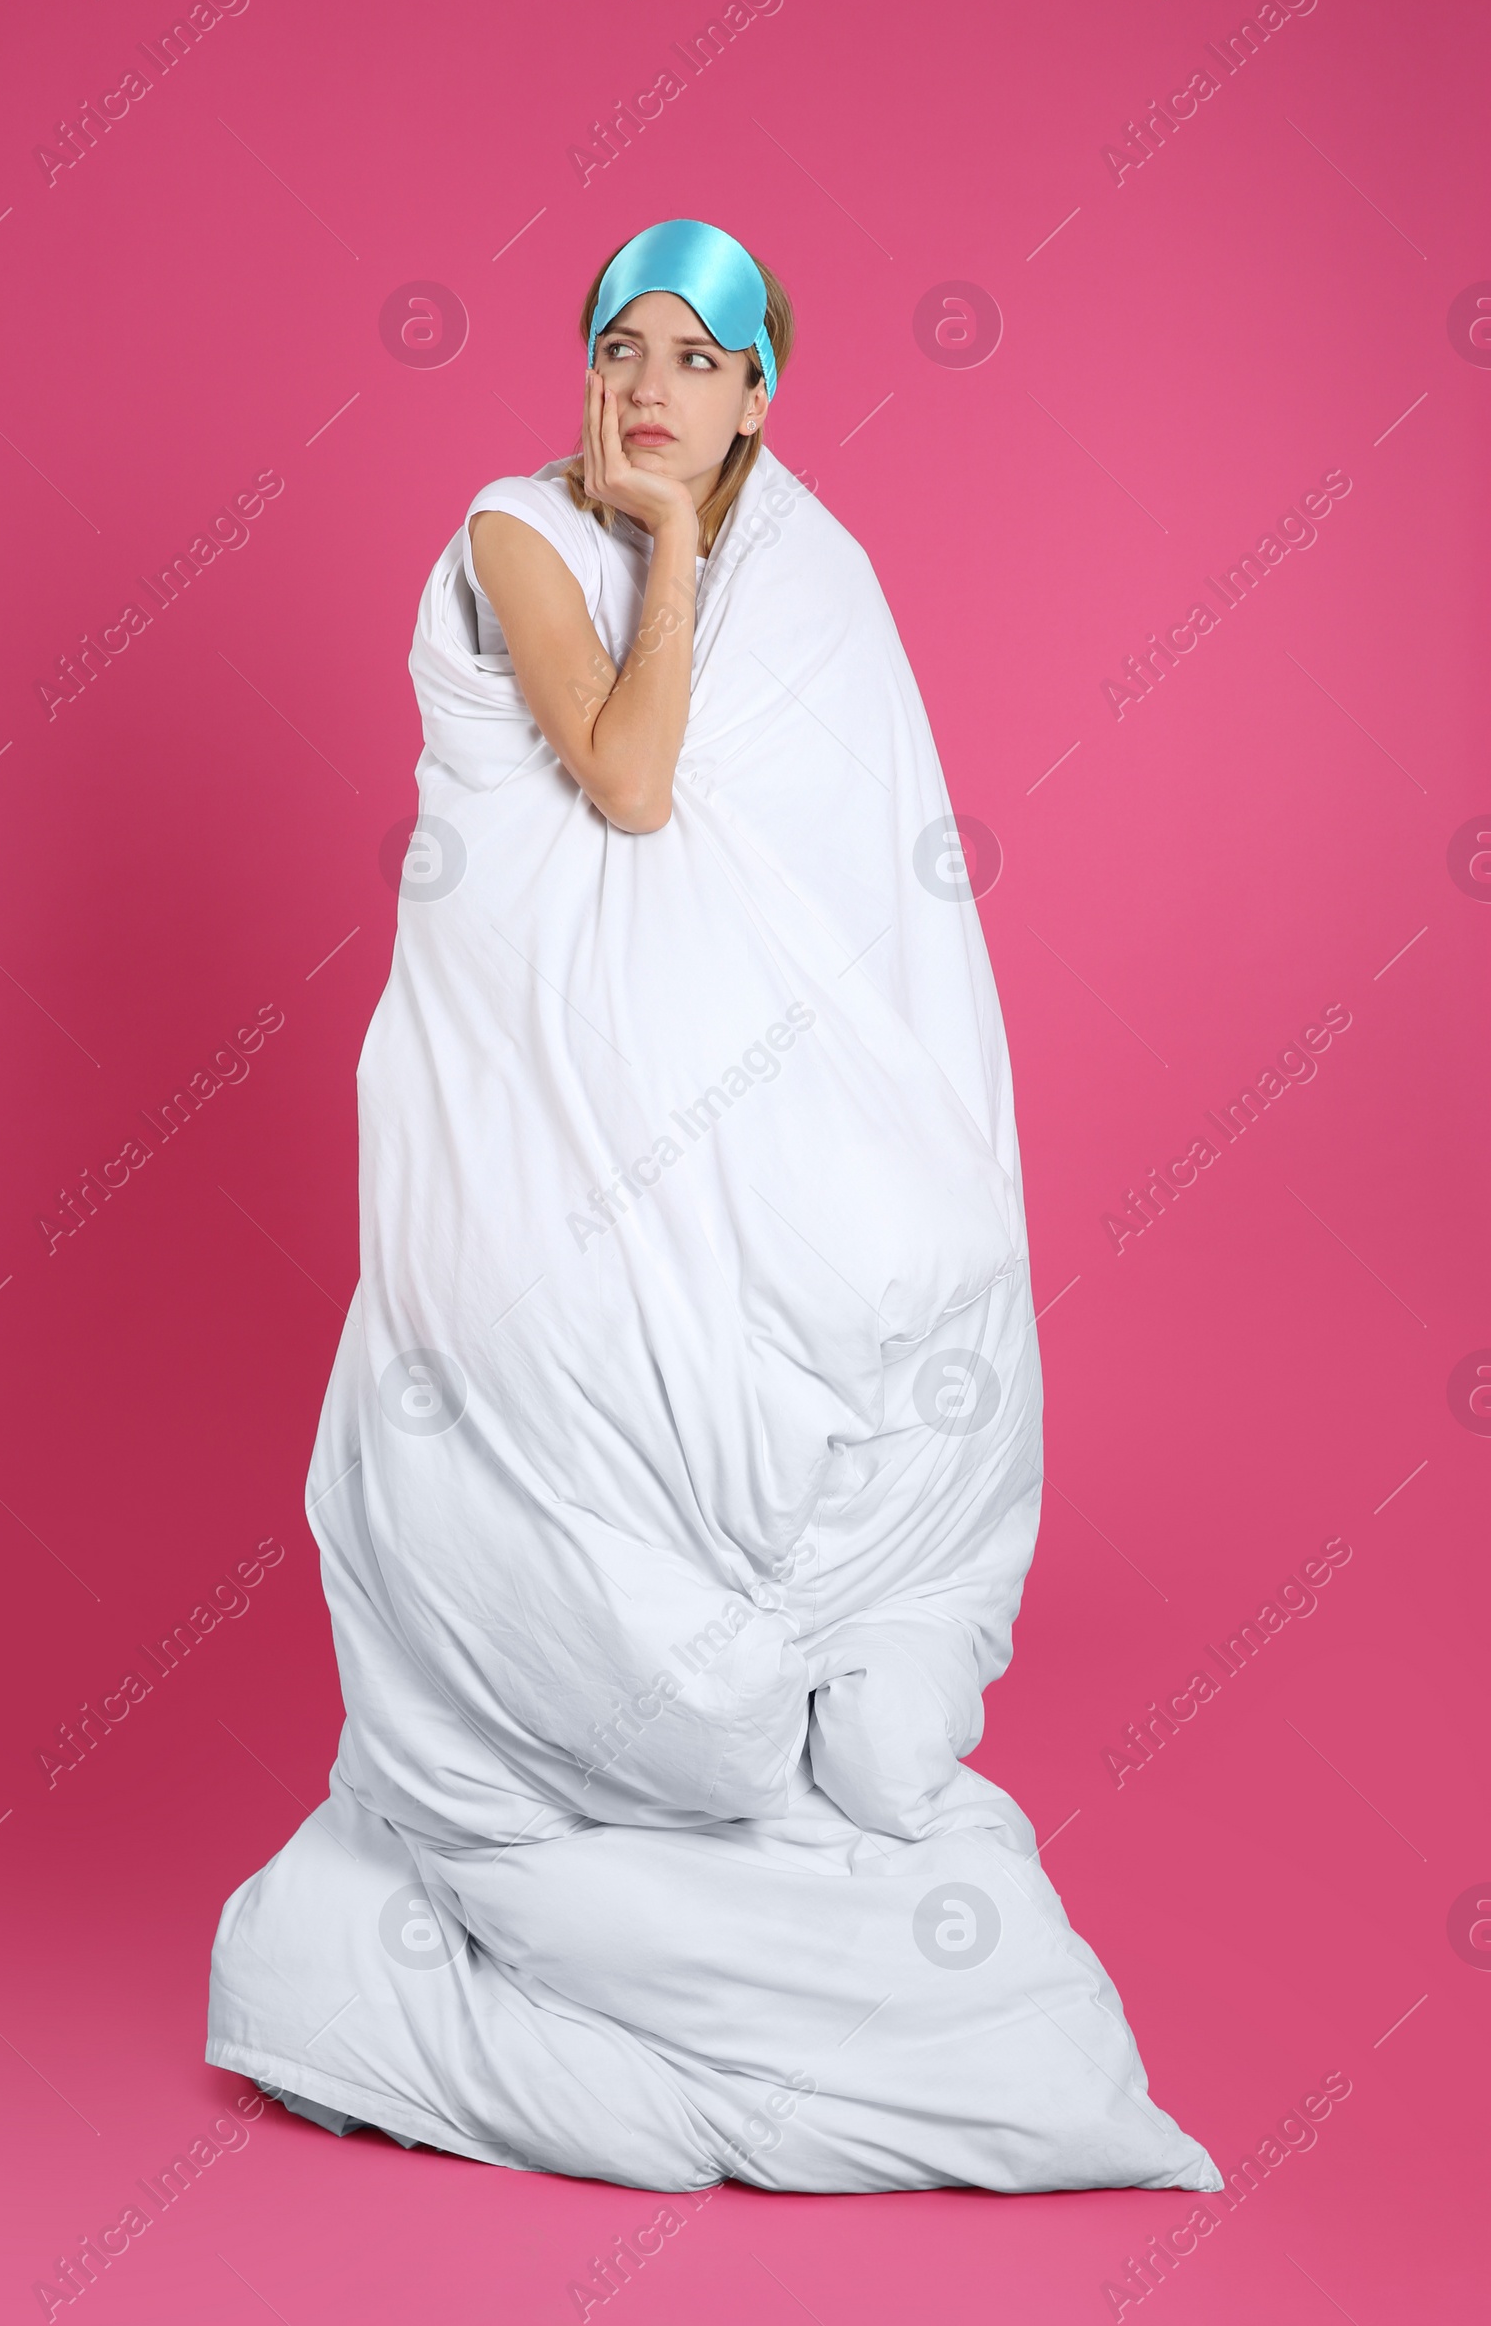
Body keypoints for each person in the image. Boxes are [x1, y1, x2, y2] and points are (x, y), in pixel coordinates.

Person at [207, 219, 1221, 2201]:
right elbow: (630, 783)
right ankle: (524, 1868)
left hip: (709, 1143)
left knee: (844, 1400)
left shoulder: (816, 579)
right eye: (617, 349)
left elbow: (854, 898)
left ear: (759, 390)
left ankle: (771, 1785)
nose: (647, 386)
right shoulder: (516, 528)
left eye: (694, 357)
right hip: (518, 1124)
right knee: (523, 1508)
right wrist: (662, 541)